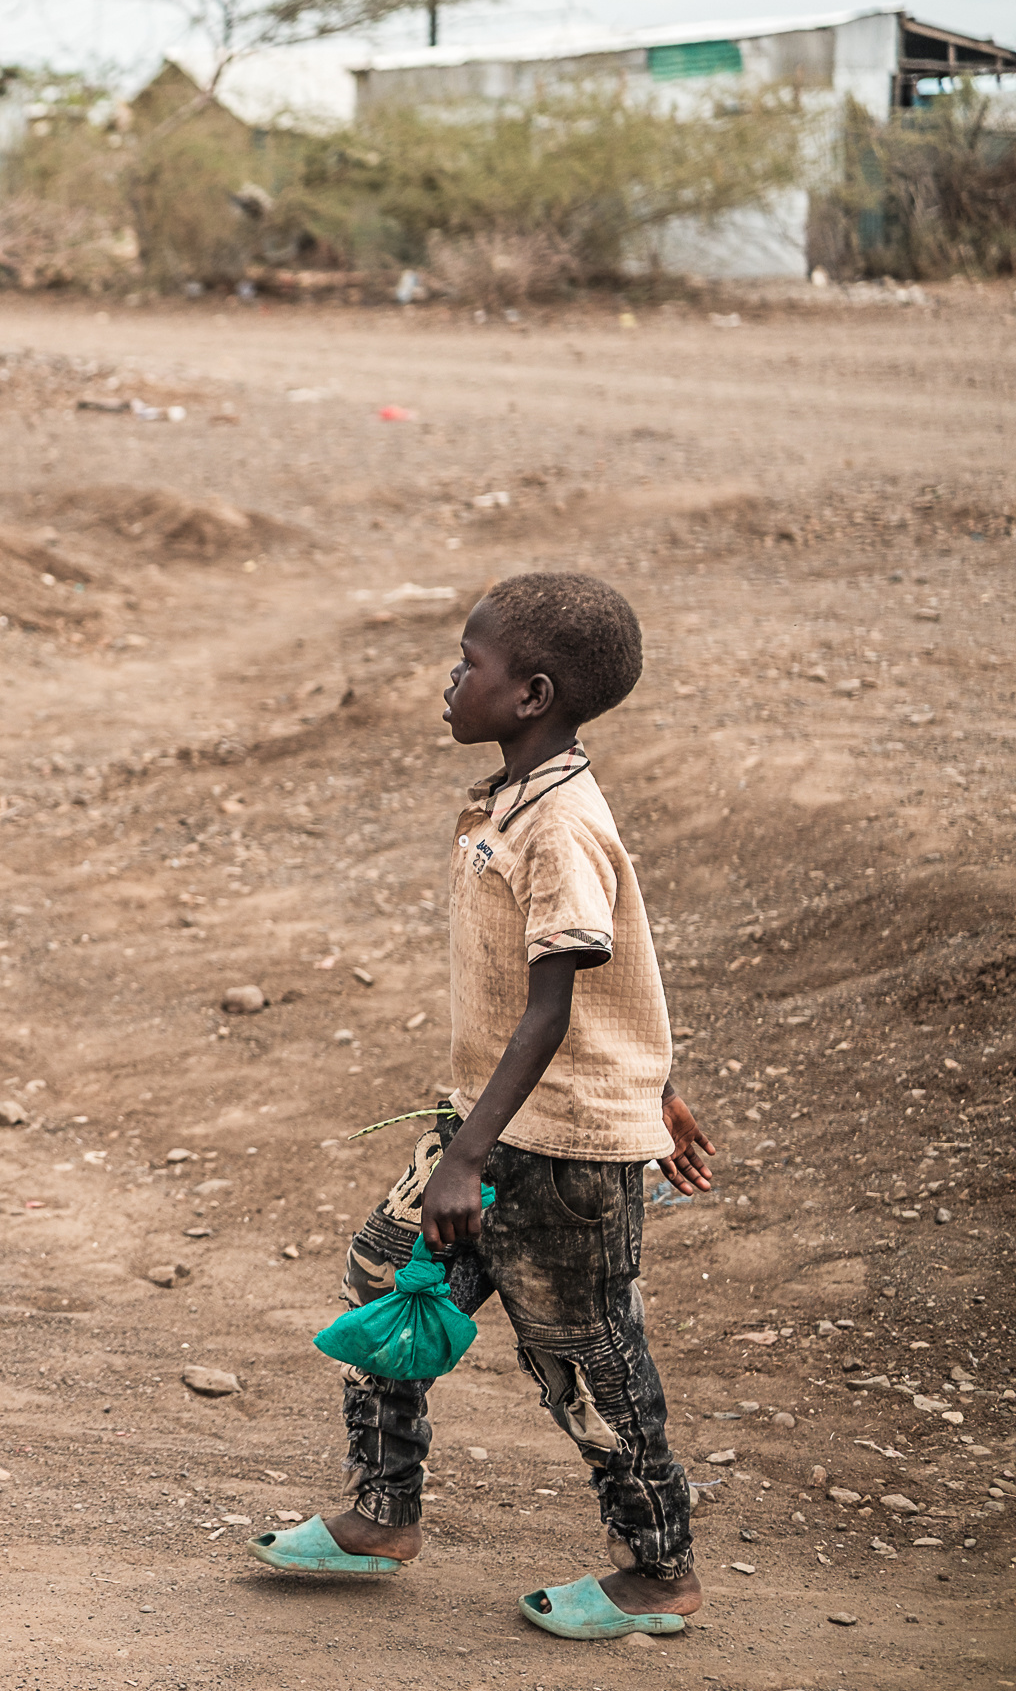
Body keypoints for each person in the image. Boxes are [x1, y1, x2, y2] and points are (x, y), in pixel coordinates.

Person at [248, 573, 718, 1643]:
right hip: (492, 1129)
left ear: (531, 693)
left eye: (470, 663)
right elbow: (613, 984)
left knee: (583, 1360)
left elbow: (554, 1007)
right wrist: (657, 1083)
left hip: (553, 1155)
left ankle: (659, 1571)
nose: (451, 678)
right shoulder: (514, 797)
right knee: (384, 1274)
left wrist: (473, 1154)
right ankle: (381, 1511)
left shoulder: (561, 824)